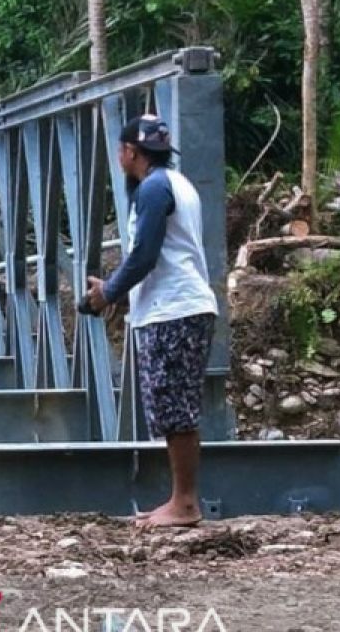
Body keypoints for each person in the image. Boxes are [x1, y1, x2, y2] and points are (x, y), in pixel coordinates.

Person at [84, 114, 218, 529]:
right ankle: (180, 499)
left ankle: (184, 503)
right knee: (171, 404)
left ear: (128, 152)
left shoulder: (155, 188)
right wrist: (117, 288)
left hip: (174, 310)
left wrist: (108, 292)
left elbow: (145, 255)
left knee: (174, 405)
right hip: (177, 306)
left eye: (121, 150)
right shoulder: (174, 183)